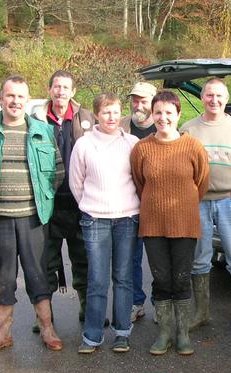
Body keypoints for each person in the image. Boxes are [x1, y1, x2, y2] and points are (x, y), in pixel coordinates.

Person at [0, 75, 64, 354]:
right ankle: (2, 335)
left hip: (33, 217)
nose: (15, 101)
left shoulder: (42, 130)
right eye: (10, 96)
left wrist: (41, 198)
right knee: (3, 278)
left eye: (20, 96)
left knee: (38, 275)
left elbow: (57, 172)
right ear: (1, 99)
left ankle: (47, 330)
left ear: (27, 100)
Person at [131, 90, 209, 355]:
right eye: (158, 112)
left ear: (178, 115)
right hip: (153, 225)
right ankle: (164, 333)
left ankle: (183, 334)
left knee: (181, 277)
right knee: (161, 279)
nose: (163, 118)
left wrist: (183, 205)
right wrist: (157, 205)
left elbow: (201, 183)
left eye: (168, 113)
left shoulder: (193, 146)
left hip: (185, 224)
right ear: (152, 115)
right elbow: (140, 184)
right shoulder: (142, 148)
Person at [181, 78, 231, 335]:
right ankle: (201, 312)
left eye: (219, 96)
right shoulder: (188, 129)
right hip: (198, 202)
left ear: (226, 99)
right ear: (202, 98)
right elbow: (180, 167)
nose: (214, 100)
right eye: (209, 95)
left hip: (228, 202)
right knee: (199, 259)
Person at [69, 93, 140, 354]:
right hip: (95, 219)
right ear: (96, 114)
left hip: (127, 219)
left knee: (123, 277)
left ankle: (122, 333)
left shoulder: (132, 143)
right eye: (106, 112)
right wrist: (91, 205)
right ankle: (92, 336)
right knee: (97, 279)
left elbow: (139, 178)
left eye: (116, 112)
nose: (112, 117)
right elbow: (76, 183)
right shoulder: (84, 144)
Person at [31, 70, 94, 332]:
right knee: (46, 261)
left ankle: (87, 308)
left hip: (79, 203)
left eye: (65, 87)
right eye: (57, 87)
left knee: (83, 260)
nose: (61, 92)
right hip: (47, 204)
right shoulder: (34, 119)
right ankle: (45, 317)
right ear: (49, 90)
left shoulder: (86, 118)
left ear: (73, 91)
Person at [121, 81, 158, 323]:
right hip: (127, 206)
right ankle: (136, 302)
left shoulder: (165, 125)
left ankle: (160, 304)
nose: (138, 104)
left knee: (158, 259)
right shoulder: (120, 125)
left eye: (144, 100)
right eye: (135, 99)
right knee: (130, 259)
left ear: (154, 103)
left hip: (156, 206)